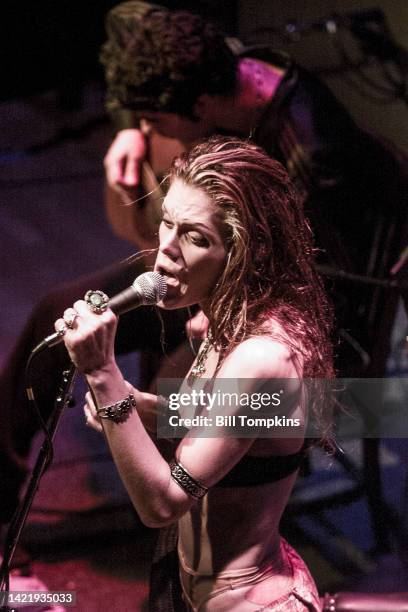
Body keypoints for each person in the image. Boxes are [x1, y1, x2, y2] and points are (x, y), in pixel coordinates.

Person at [0, 1, 404, 526]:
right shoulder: (228, 65)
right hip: (207, 268)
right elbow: (125, 15)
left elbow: (327, 287)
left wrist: (229, 315)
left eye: (155, 119)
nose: (149, 127)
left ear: (205, 103)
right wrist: (131, 130)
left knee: (182, 394)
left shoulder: (312, 155)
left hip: (271, 302)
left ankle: (193, 540)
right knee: (57, 310)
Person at [55, 137, 333, 611]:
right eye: (167, 221)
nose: (165, 253)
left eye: (196, 237)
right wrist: (145, 408)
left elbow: (163, 504)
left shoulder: (262, 357)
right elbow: (234, 421)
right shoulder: (225, 319)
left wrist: (104, 374)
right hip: (189, 586)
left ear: (246, 253)